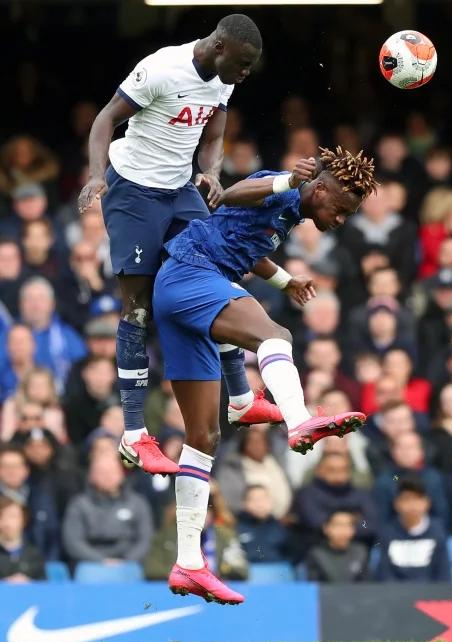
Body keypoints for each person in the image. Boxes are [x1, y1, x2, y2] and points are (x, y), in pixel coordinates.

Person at [150, 148, 376, 603]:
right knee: (275, 335)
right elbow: (231, 195)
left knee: (203, 438)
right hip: (192, 277)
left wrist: (285, 281)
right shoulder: (286, 186)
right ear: (320, 189)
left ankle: (189, 562)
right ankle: (297, 421)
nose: (340, 220)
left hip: (178, 294)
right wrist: (287, 180)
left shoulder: (293, 211)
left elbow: (242, 244)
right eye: (340, 209)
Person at [79, 15, 275, 474]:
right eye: (243, 64)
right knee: (138, 308)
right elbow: (105, 118)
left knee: (213, 279)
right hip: (133, 191)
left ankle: (242, 399)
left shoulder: (223, 81)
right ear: (220, 46)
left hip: (180, 189)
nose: (246, 74)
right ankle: (134, 435)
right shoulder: (163, 69)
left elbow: (213, 137)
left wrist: (210, 172)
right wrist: (94, 175)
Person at [374, 478, 450, 582]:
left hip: (428, 596)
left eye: (417, 499)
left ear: (427, 502)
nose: (412, 505)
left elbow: (443, 575)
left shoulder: (438, 532)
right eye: (406, 499)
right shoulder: (387, 532)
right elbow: (384, 574)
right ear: (396, 504)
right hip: (395, 595)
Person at [304, 510, 369, 583]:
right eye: (338, 525)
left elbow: (366, 586)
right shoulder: (316, 555)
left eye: (348, 525)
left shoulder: (360, 552)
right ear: (326, 528)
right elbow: (314, 587)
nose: (343, 531)